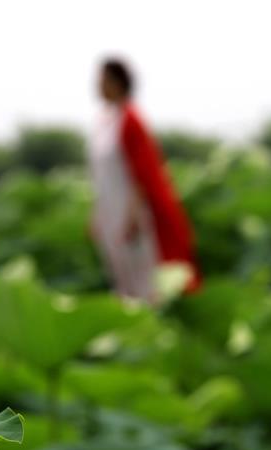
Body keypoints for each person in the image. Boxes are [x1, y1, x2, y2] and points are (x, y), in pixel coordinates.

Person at [88, 58, 201, 302]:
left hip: (134, 213)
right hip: (111, 210)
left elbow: (143, 173)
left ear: (117, 83)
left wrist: (133, 215)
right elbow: (102, 177)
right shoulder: (104, 121)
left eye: (102, 80)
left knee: (145, 278)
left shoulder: (131, 120)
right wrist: (98, 214)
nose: (97, 86)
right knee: (121, 277)